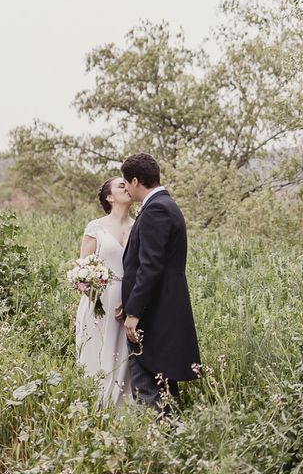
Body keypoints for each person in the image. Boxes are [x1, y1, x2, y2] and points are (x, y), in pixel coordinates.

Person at [117, 153, 201, 414]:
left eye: (126, 183)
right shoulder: (164, 205)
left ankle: (159, 445)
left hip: (155, 313)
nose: (127, 189)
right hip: (161, 308)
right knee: (163, 385)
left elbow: (150, 266)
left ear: (135, 180)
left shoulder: (157, 209)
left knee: (147, 385)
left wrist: (134, 313)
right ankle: (174, 442)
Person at [75, 177, 135, 407]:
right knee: (97, 352)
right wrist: (95, 297)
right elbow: (83, 269)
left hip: (127, 299)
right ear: (110, 197)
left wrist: (131, 303)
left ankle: (122, 409)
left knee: (123, 356)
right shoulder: (96, 228)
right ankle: (94, 405)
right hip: (99, 299)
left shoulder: (138, 225)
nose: (127, 187)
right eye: (121, 185)